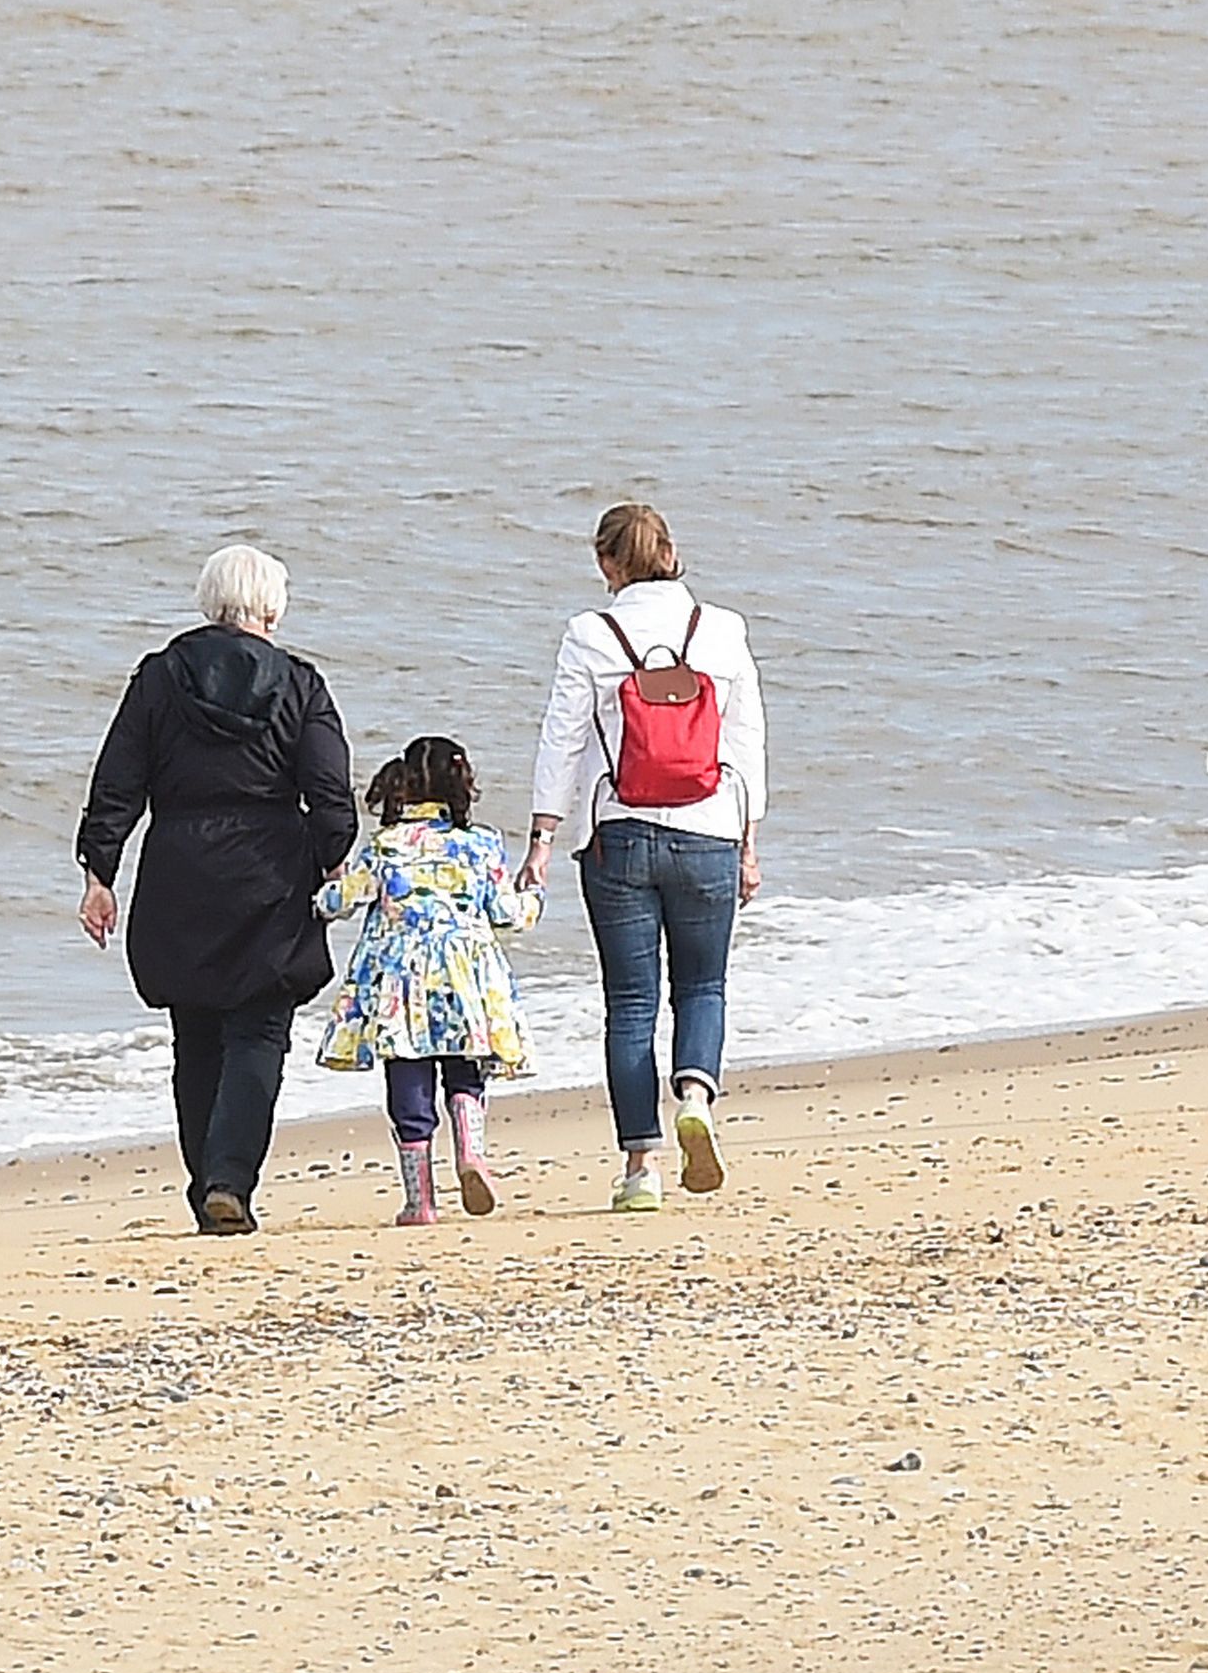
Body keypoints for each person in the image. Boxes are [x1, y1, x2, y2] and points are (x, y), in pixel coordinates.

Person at [76, 546, 357, 1233]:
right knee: (259, 1030)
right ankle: (229, 1181)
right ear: (272, 609)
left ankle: (208, 1183)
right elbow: (329, 789)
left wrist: (99, 873)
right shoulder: (300, 684)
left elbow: (118, 779)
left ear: (210, 600)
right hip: (270, 869)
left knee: (195, 1035)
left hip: (179, 867)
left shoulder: (158, 677)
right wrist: (332, 860)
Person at [523, 503, 766, 1213]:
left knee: (630, 1003)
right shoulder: (721, 629)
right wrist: (749, 842)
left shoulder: (590, 634)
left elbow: (562, 739)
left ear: (608, 562)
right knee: (703, 987)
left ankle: (641, 1169)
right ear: (669, 552)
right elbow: (747, 742)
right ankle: (695, 1097)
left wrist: (541, 840)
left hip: (618, 836)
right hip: (710, 831)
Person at [314, 736, 541, 1226]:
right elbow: (507, 913)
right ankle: (471, 1153)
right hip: (467, 976)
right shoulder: (481, 844)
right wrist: (534, 897)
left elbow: (339, 903)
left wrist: (322, 890)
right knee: (465, 1070)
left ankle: (421, 1203)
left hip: (400, 980)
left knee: (408, 1077)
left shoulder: (385, 845)